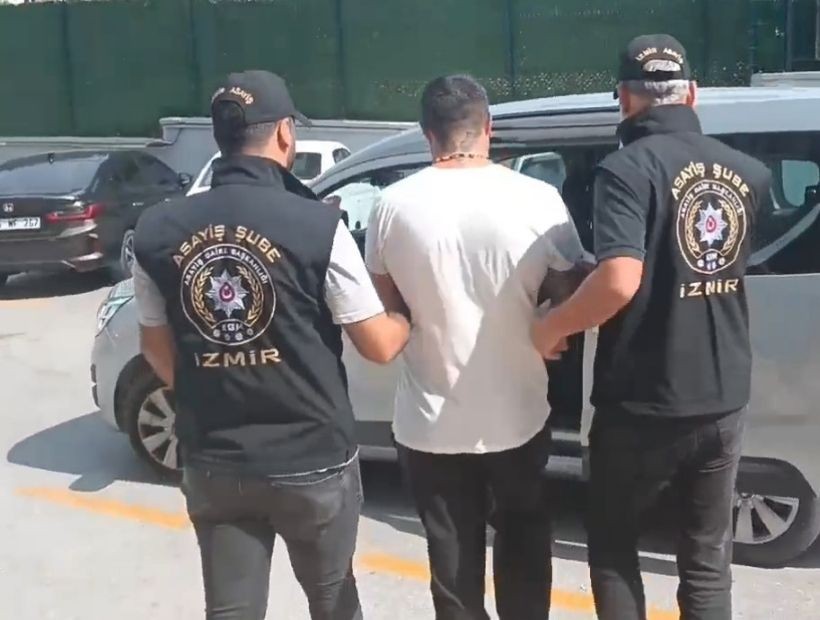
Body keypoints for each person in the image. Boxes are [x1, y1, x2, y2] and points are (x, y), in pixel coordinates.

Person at [132, 70, 411, 620]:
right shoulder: (316, 225)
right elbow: (379, 345)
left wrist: (212, 388)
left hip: (215, 458)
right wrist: (404, 315)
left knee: (232, 610)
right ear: (285, 133)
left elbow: (156, 350)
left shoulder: (157, 229)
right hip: (312, 459)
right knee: (333, 599)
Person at [531, 35, 772, 620]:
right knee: (707, 558)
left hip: (642, 399)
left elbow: (619, 279)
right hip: (722, 393)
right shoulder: (750, 173)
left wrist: (551, 327)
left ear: (624, 98)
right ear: (691, 93)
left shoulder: (625, 169)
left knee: (615, 547)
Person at [365, 74, 588, 620]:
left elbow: (389, 310)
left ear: (427, 134)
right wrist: (547, 326)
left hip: (429, 422)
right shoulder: (538, 199)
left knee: (451, 558)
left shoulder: (390, 206)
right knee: (524, 537)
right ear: (488, 127)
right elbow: (571, 295)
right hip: (518, 414)